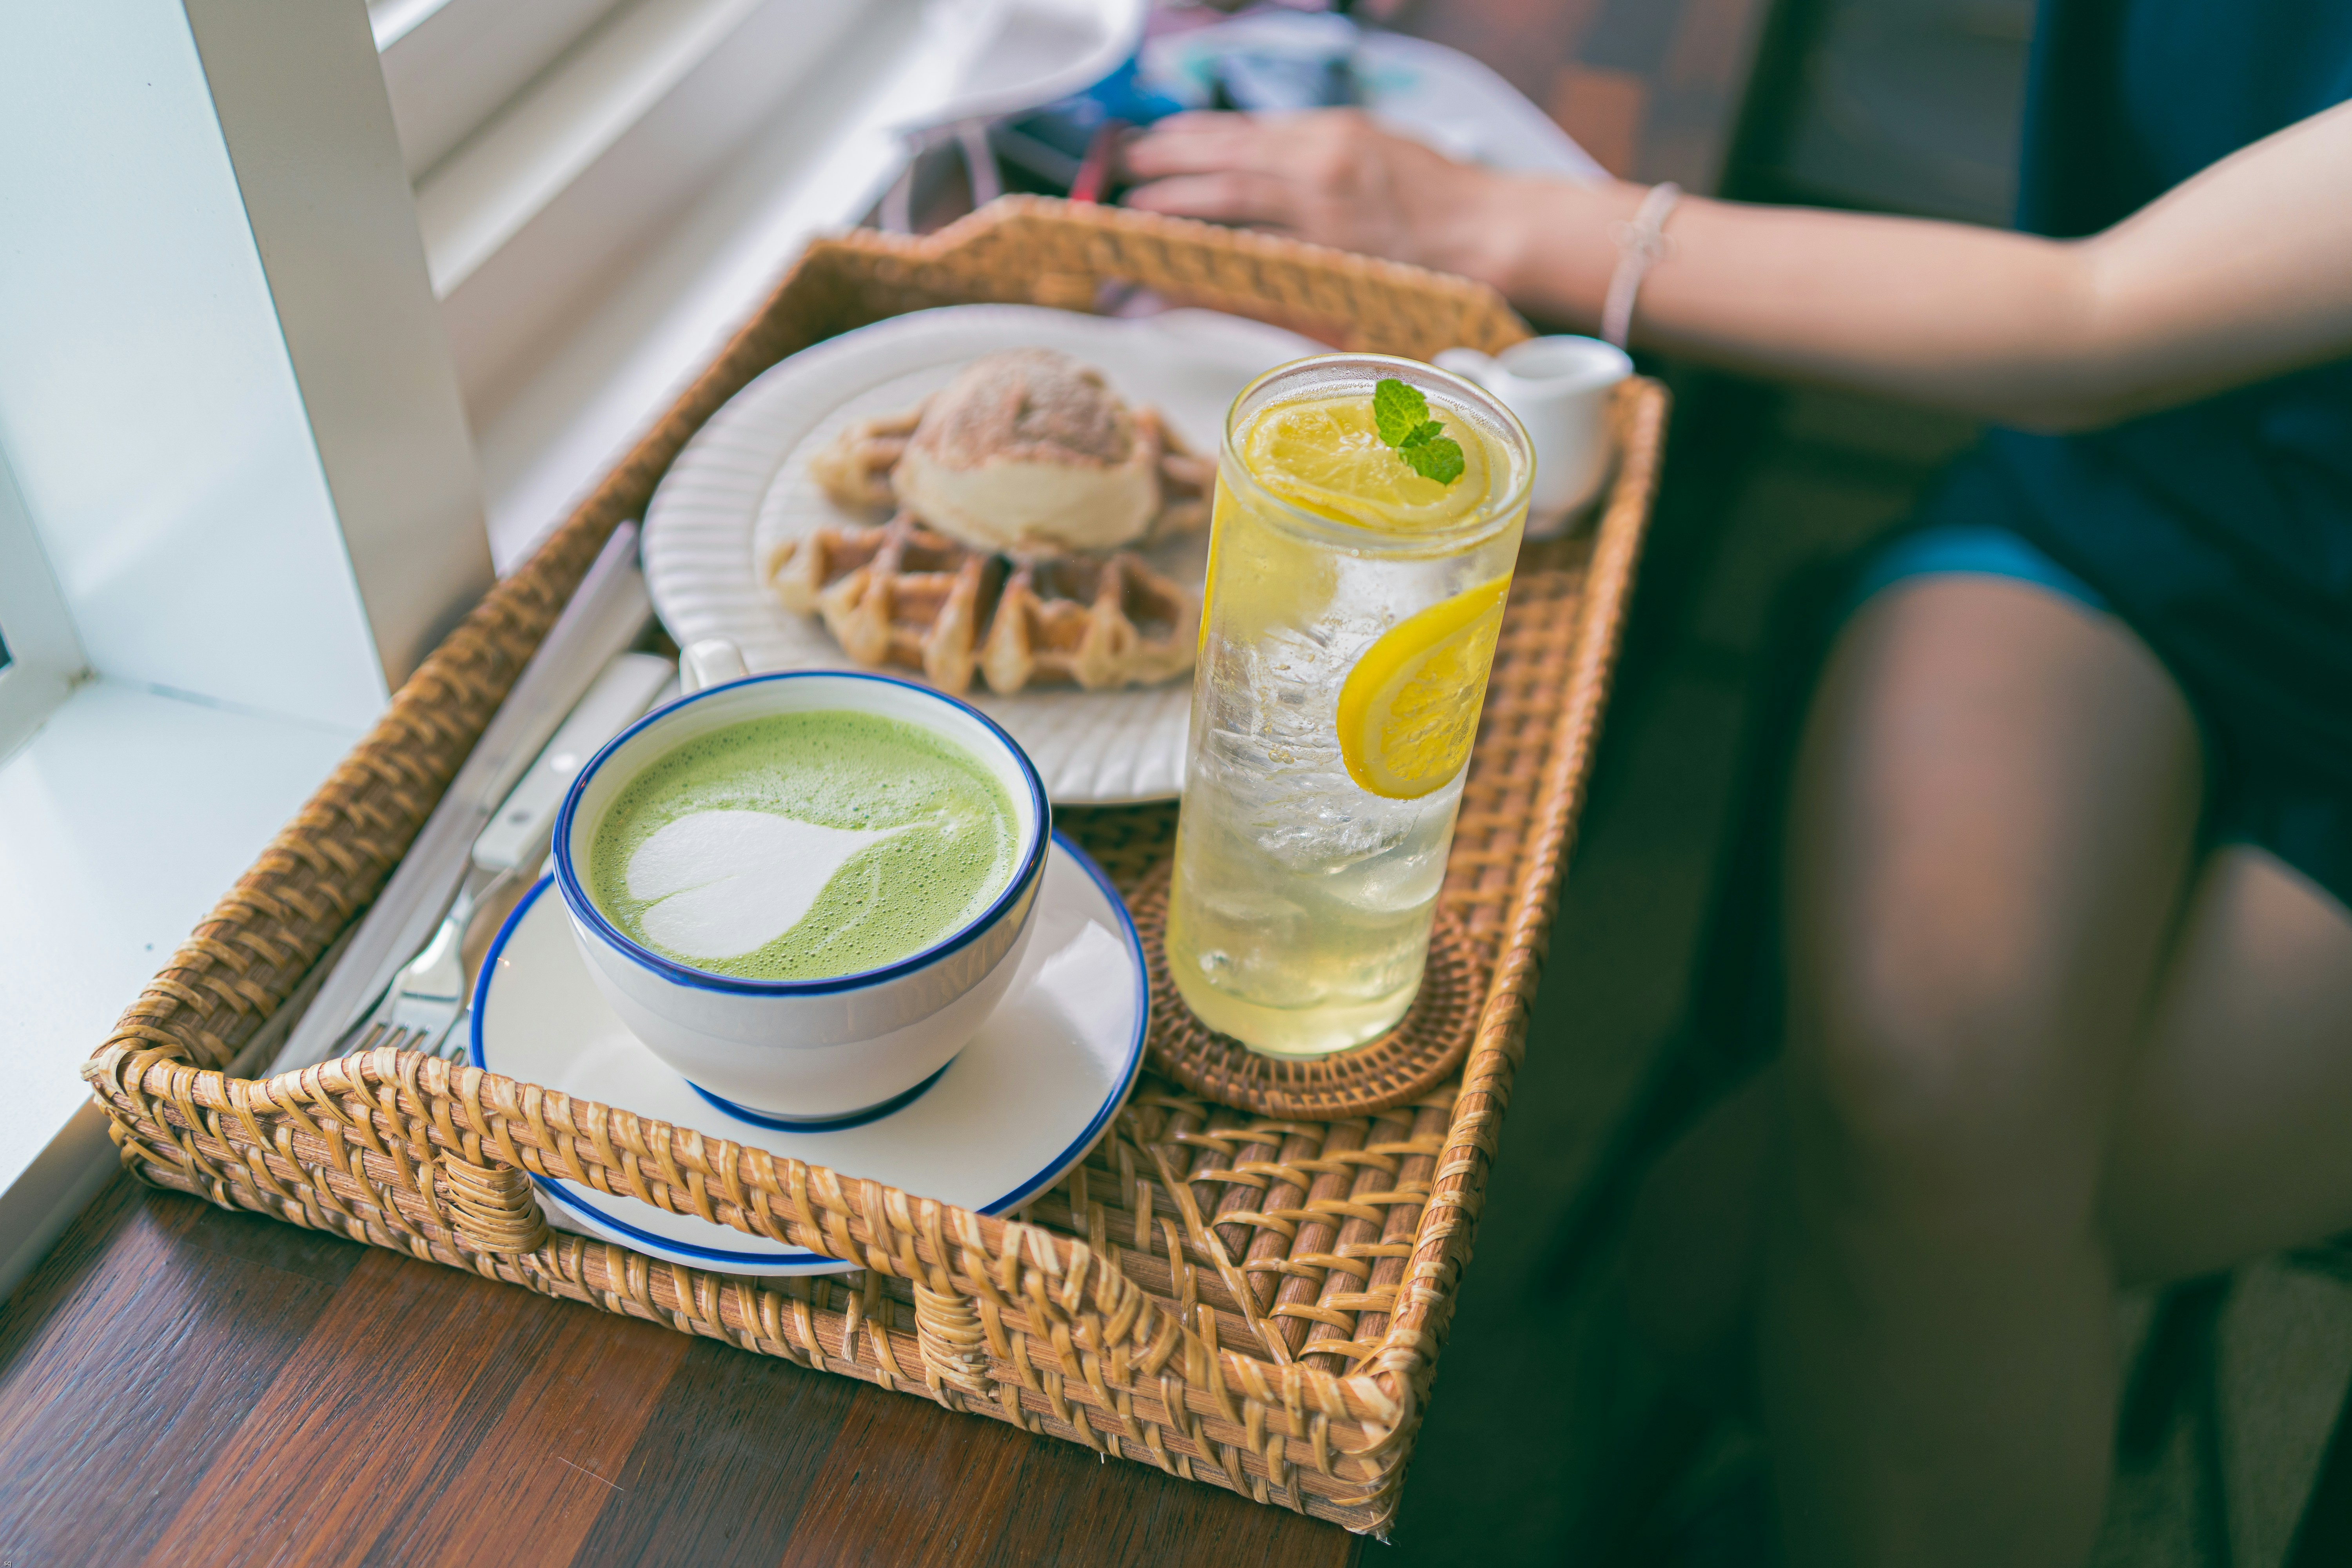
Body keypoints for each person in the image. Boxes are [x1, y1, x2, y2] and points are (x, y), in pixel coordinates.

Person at [1120, 6, 2352, 1566]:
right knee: (1874, 1161)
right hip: (2137, 502)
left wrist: (1472, 211)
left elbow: (2094, 317)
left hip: (2111, 375)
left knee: (1741, 1268)